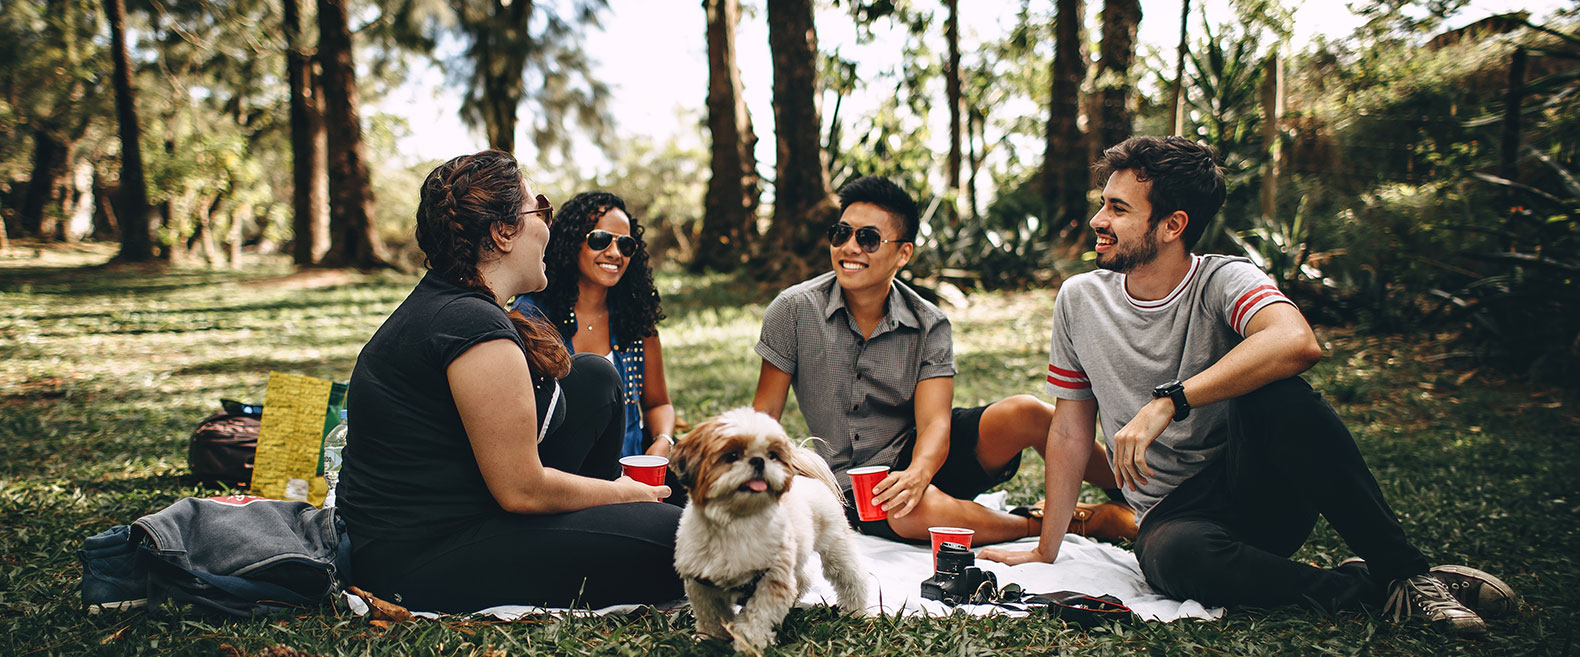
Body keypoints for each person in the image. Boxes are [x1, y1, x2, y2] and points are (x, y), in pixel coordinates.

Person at [980, 136, 1517, 635]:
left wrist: (1172, 399)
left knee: (1279, 393)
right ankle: (1373, 588)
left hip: (1257, 487)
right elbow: (1071, 430)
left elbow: (1296, 341)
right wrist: (1046, 550)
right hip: (1174, 519)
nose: (1098, 219)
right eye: (1104, 202)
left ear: (1172, 225)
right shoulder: (1080, 299)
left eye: (1118, 209)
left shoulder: (1224, 278)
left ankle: (1408, 572)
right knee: (1173, 559)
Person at [337, 150, 683, 612]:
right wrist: (625, 492)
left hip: (470, 507)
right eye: (539, 209)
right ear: (502, 232)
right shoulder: (470, 326)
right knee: (684, 541)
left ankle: (615, 521)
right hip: (420, 556)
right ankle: (623, 521)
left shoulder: (458, 304)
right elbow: (522, 490)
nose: (547, 225)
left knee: (594, 377)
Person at [752, 175, 1135, 546]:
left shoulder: (928, 323)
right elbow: (764, 414)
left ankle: (1139, 497)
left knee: (1027, 412)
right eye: (841, 234)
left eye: (867, 239)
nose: (849, 247)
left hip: (925, 454)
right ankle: (1064, 522)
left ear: (903, 253)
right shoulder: (793, 310)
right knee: (908, 512)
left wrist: (919, 473)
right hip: (855, 484)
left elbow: (935, 422)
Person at [511, 191, 675, 460]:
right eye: (600, 240)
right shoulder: (532, 317)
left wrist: (662, 442)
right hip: (563, 476)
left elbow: (658, 403)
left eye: (625, 245)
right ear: (571, 242)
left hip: (632, 472)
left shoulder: (635, 318)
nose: (614, 253)